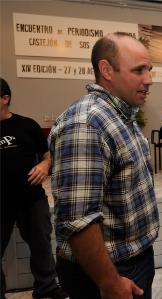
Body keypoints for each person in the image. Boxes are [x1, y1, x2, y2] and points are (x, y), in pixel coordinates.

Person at [49, 32, 159, 299]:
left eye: (149, 69)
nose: (149, 79)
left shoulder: (122, 115)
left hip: (133, 261)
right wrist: (110, 283)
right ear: (107, 70)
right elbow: (78, 220)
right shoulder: (87, 125)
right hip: (108, 273)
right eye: (139, 70)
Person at [0, 78, 68, 299]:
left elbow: (49, 155)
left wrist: (44, 164)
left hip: (31, 198)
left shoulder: (27, 125)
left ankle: (46, 287)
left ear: (5, 99)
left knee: (41, 243)